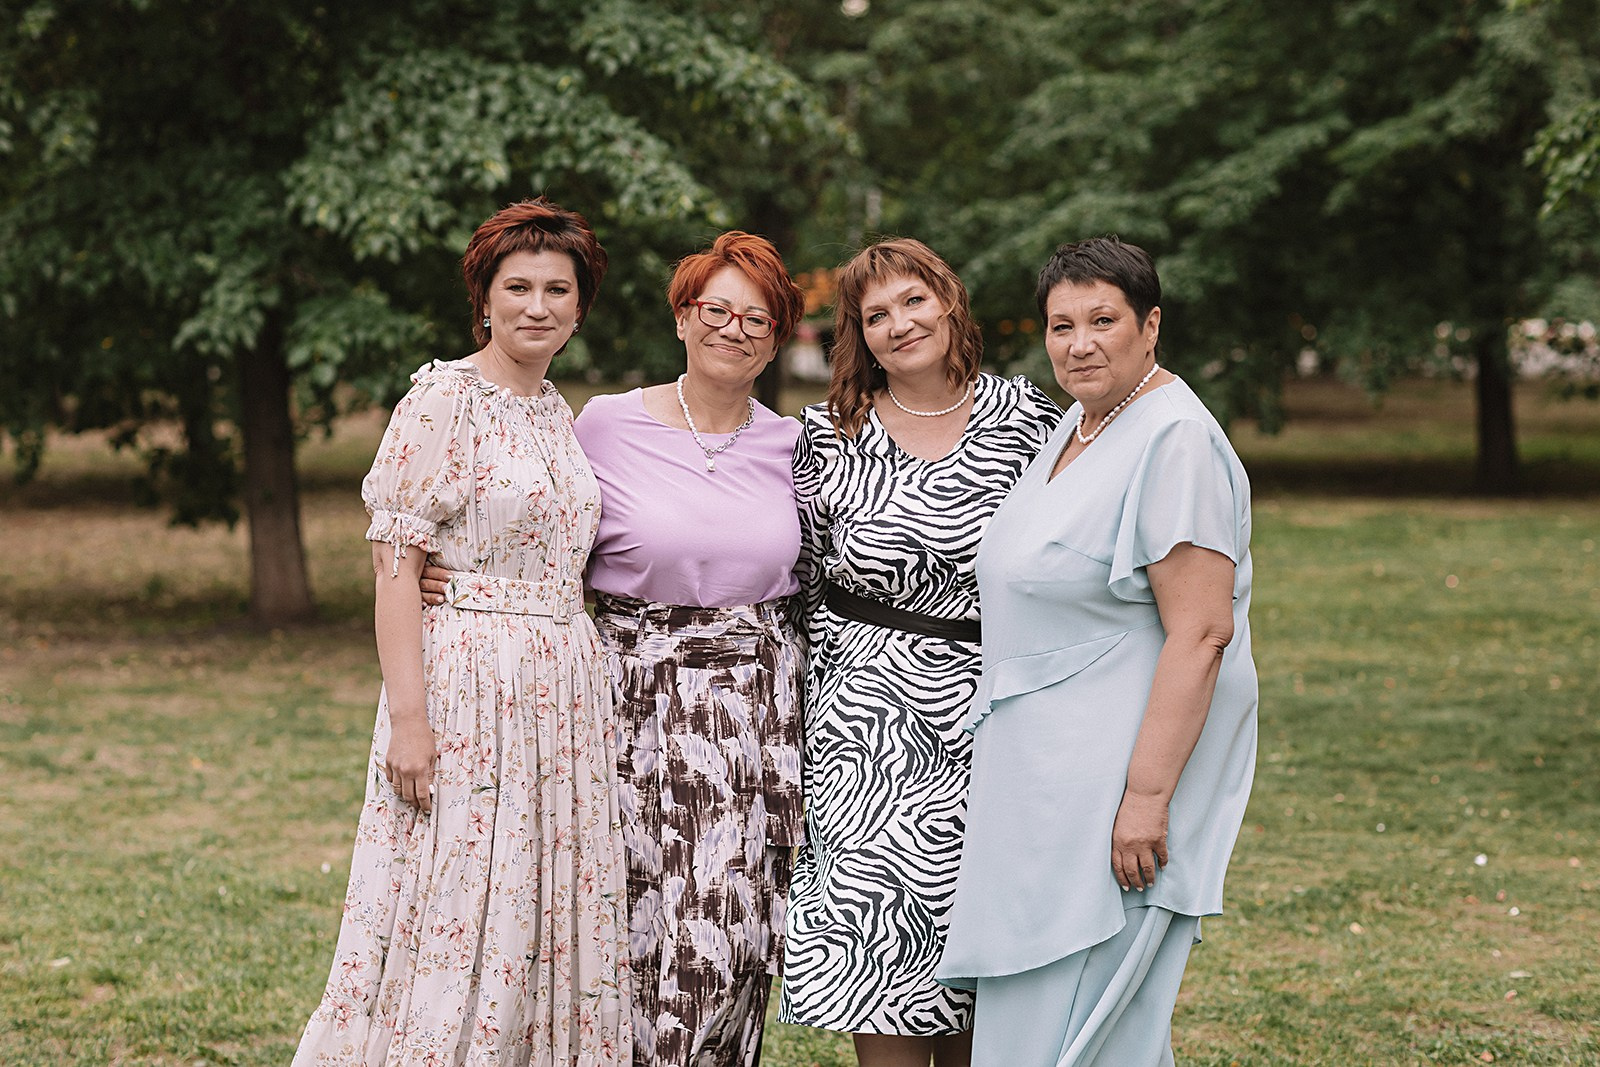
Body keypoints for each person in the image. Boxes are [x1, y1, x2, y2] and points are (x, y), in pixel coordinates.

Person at [423, 231, 808, 1067]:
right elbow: (532, 509)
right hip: (624, 702)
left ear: (777, 337)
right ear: (682, 318)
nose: (734, 329)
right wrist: (457, 576)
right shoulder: (603, 423)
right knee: (623, 926)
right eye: (716, 309)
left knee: (727, 934)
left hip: (752, 714)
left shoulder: (798, 445)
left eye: (757, 318)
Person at [293, 198, 631, 1066]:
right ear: (483, 298)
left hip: (560, 693)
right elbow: (394, 568)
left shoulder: (555, 410)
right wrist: (410, 721)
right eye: (517, 287)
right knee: (458, 892)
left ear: (580, 307)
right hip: (469, 689)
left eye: (557, 289)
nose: (537, 306)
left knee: (536, 903)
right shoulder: (444, 397)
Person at [934, 236, 1258, 1066]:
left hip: (1110, 790)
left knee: (1085, 1032)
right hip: (1042, 784)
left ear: (1150, 325)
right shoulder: (1084, 423)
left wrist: (1146, 798)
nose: (1079, 344)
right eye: (1061, 325)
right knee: (1045, 1026)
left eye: (1103, 321)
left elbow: (1202, 631)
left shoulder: (1175, 439)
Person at [779, 237, 1063, 1067]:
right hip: (866, 732)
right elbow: (801, 575)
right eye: (877, 315)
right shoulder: (829, 433)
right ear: (859, 335)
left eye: (913, 301)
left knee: (983, 950)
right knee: (881, 952)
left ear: (949, 302)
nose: (900, 324)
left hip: (993, 719)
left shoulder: (1026, 418)